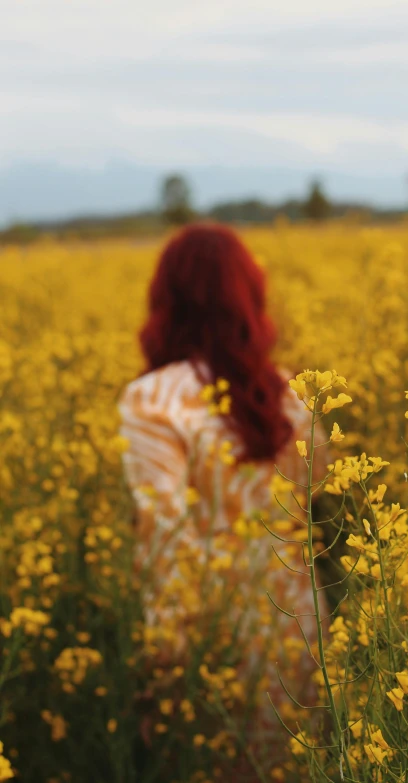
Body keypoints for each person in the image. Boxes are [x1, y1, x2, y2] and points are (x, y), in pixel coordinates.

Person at [118, 224, 327, 775]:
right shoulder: (289, 394)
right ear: (248, 299)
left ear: (166, 301)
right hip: (300, 627)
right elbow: (314, 497)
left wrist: (164, 669)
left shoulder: (152, 400)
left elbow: (165, 540)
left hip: (215, 642)